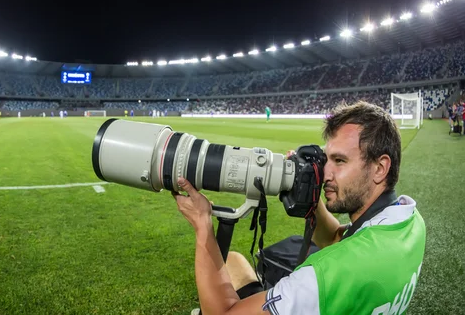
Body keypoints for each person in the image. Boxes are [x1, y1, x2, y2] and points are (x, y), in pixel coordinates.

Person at [173, 101, 426, 315]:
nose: (325, 174)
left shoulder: (324, 275)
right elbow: (338, 239)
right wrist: (312, 201)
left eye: (339, 161)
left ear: (380, 168)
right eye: (326, 160)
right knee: (233, 260)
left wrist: (203, 225)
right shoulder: (409, 221)